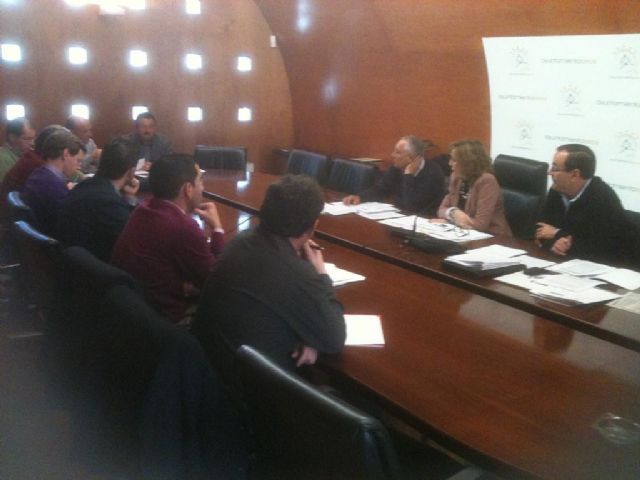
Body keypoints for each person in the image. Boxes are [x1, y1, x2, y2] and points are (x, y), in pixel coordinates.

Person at [193, 174, 346, 372]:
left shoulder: (240, 241)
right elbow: (334, 339)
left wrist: (307, 337)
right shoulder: (298, 275)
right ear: (313, 226)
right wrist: (321, 274)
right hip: (243, 384)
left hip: (205, 366)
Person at [111, 154, 224, 324]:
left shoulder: (143, 207)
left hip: (130, 312)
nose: (203, 187)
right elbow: (217, 281)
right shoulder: (183, 226)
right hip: (164, 323)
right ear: (188, 189)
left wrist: (185, 286)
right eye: (200, 181)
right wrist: (217, 228)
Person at [535, 144, 631, 264]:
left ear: (575, 175)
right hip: (563, 262)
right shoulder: (556, 190)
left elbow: (601, 249)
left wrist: (557, 234)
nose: (549, 173)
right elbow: (542, 229)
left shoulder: (603, 199)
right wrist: (553, 244)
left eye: (555, 169)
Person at [57, 136, 140, 262]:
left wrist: (129, 197)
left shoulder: (82, 186)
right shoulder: (109, 203)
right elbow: (134, 240)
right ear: (131, 172)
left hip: (71, 262)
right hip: (93, 268)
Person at [343, 135, 445, 215]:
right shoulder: (396, 168)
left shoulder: (433, 173)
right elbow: (381, 189)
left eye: (398, 153)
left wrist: (408, 176)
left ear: (412, 158)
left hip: (423, 221)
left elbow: (412, 205)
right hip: (399, 217)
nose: (392, 155)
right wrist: (360, 197)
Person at [437, 139, 512, 236]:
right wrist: (453, 212)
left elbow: (481, 225)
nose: (449, 163)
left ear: (467, 163)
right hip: (463, 233)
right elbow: (441, 210)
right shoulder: (456, 177)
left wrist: (451, 221)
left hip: (493, 237)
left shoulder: (487, 181)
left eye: (454, 160)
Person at [21, 131, 84, 237]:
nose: (79, 166)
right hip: (52, 240)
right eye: (78, 160)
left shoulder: (38, 174)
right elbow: (71, 225)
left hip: (36, 236)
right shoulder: (55, 188)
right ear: (66, 154)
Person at [0, 118, 36, 182]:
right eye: (27, 139)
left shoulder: (28, 154)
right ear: (12, 137)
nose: (32, 143)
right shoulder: (2, 158)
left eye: (33, 139)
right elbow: (6, 186)